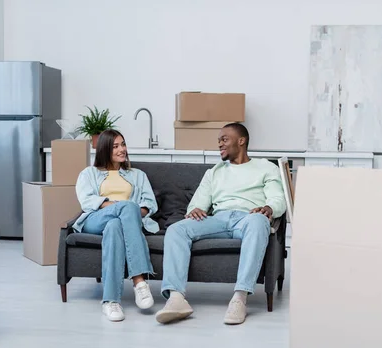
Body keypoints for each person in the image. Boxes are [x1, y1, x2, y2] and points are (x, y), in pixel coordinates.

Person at [155, 123, 287, 325]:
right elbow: (197, 203)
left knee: (259, 221)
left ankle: (240, 298)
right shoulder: (214, 172)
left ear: (241, 141)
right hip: (218, 219)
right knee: (176, 229)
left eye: (224, 139)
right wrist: (196, 209)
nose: (219, 144)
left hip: (248, 218)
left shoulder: (265, 167)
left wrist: (268, 208)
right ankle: (176, 298)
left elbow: (278, 198)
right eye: (218, 141)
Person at [74, 129, 159, 322]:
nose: (122, 149)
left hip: (122, 222)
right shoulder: (88, 173)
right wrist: (121, 207)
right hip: (96, 219)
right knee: (125, 208)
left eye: (123, 144)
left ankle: (110, 301)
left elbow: (150, 204)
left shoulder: (138, 175)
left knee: (114, 226)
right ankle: (139, 281)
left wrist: (127, 213)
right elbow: (87, 201)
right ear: (104, 149)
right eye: (116, 146)